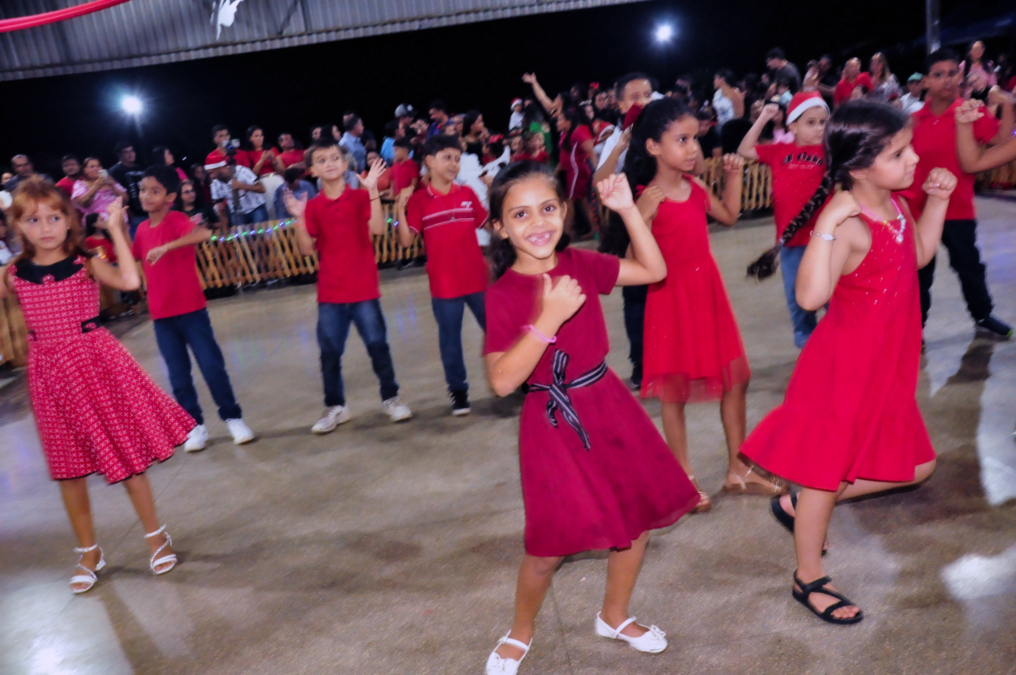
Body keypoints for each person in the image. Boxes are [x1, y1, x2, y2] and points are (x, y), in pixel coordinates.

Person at [740, 101, 958, 625]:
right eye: (899, 153)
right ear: (859, 168)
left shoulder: (897, 204)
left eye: (909, 148)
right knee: (825, 472)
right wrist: (828, 222)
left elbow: (918, 255)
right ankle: (808, 575)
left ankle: (804, 504)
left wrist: (937, 201)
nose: (914, 159)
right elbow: (810, 296)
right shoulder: (851, 224)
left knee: (917, 466)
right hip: (842, 371)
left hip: (886, 366)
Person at [482, 163, 698, 675]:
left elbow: (653, 270)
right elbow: (502, 381)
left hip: (608, 405)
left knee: (637, 520)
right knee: (548, 545)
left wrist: (627, 211)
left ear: (565, 211)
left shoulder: (582, 262)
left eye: (547, 208)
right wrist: (549, 318)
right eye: (520, 214)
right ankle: (520, 630)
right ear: (500, 228)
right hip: (551, 421)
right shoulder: (503, 294)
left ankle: (613, 616)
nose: (538, 222)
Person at [2, 179, 194, 593]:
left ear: (69, 220)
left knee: (126, 458)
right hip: (48, 376)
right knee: (68, 470)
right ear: (17, 226)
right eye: (33, 220)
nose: (46, 228)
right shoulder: (13, 274)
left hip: (94, 365)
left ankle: (156, 537)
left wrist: (117, 231)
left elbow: (129, 281)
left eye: (54, 218)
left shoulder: (85, 262)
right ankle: (89, 552)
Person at [620, 98, 778, 512]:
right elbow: (635, 262)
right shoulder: (647, 198)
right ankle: (683, 479)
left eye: (695, 138)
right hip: (669, 298)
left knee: (736, 379)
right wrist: (643, 215)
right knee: (674, 393)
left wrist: (733, 177)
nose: (693, 148)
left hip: (707, 293)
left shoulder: (695, 187)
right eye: (682, 140)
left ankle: (738, 469)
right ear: (653, 146)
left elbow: (729, 215)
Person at [282, 141, 413, 431]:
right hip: (331, 292)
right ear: (312, 170)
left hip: (364, 289)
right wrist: (300, 218)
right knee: (329, 353)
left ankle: (391, 398)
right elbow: (306, 249)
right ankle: (336, 406)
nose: (329, 163)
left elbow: (378, 229)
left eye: (334, 158)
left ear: (345, 165)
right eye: (321, 160)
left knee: (377, 345)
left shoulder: (361, 196)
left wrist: (372, 190)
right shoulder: (313, 206)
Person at [131, 164, 256, 451]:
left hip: (191, 311)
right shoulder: (141, 230)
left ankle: (233, 417)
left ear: (170, 197)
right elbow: (135, 258)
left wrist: (167, 247)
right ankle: (194, 426)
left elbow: (202, 235)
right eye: (143, 190)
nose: (146, 196)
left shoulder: (176, 219)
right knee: (178, 376)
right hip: (161, 316)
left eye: (154, 191)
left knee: (212, 366)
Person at [902, 49, 1015, 340]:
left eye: (953, 73)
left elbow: (1001, 139)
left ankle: (983, 316)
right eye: (938, 75)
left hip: (958, 207)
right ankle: (914, 329)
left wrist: (1007, 104)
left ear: (961, 75)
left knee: (969, 266)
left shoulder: (969, 112)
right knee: (918, 273)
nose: (947, 80)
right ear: (926, 81)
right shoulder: (912, 120)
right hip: (918, 210)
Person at [395, 135, 488, 416]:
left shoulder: (467, 193)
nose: (454, 164)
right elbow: (406, 242)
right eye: (447, 157)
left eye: (457, 159)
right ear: (430, 161)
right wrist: (400, 208)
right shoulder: (420, 201)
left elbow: (492, 225)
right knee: (450, 340)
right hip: (444, 284)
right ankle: (458, 391)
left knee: (498, 330)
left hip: (478, 279)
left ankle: (518, 378)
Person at [741, 93, 831, 348]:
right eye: (811, 122)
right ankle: (806, 339)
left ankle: (840, 337)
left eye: (823, 122)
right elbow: (744, 149)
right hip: (791, 242)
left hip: (825, 240)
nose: (819, 128)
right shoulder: (779, 151)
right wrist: (762, 119)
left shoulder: (830, 152)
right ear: (793, 125)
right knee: (797, 293)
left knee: (831, 294)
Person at [593, 72, 654, 185]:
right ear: (621, 105)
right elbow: (599, 182)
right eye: (635, 97)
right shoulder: (616, 139)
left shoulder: (664, 128)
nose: (643, 102)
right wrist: (618, 149)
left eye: (647, 95)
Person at [554, 106, 597, 238]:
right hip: (571, 171)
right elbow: (564, 156)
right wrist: (555, 173)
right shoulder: (564, 134)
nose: (557, 122)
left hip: (577, 171)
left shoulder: (578, 132)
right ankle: (594, 229)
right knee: (584, 202)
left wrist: (598, 173)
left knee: (569, 200)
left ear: (568, 121)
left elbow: (591, 152)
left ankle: (566, 232)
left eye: (560, 120)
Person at [207, 157, 269, 226]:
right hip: (237, 214)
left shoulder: (241, 171)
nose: (211, 176)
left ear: (219, 168)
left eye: (211, 173)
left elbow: (262, 188)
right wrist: (224, 228)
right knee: (240, 233)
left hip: (256, 208)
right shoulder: (215, 184)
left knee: (261, 231)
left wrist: (243, 186)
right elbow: (221, 209)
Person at [71, 158, 128, 223]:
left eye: (99, 166)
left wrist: (113, 185)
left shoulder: (111, 181)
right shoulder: (80, 184)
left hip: (118, 219)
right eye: (92, 166)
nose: (97, 168)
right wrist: (96, 187)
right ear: (85, 170)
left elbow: (125, 200)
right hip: (97, 222)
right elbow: (83, 203)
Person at [108, 143, 147, 235]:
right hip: (132, 215)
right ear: (119, 155)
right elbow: (115, 195)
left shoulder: (139, 168)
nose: (131, 154)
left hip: (147, 209)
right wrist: (128, 214)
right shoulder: (114, 171)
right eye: (126, 152)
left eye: (132, 151)